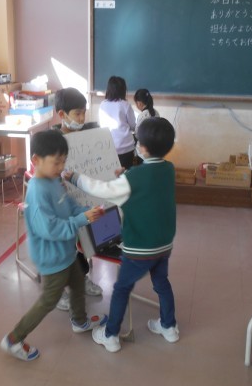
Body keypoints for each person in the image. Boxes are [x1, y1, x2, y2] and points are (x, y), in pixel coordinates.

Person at [63, 117, 179, 353]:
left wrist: (74, 177)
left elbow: (102, 189)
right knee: (162, 283)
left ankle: (111, 335)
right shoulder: (168, 169)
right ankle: (169, 327)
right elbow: (148, 184)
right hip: (163, 245)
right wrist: (126, 174)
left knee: (122, 289)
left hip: (139, 248)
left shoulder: (132, 179)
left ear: (142, 147)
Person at [0, 130, 107, 361]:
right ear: (36, 160)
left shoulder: (54, 181)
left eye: (63, 161)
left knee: (78, 284)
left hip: (67, 253)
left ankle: (79, 321)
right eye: (56, 162)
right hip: (51, 259)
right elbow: (50, 229)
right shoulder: (37, 192)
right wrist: (81, 220)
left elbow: (69, 205)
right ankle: (14, 339)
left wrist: (86, 212)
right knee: (49, 300)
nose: (61, 167)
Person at [51, 87, 103, 310]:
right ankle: (58, 290)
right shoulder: (52, 141)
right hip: (59, 204)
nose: (82, 118)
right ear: (62, 114)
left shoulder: (88, 137)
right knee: (63, 247)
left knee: (81, 242)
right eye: (77, 113)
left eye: (84, 113)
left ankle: (81, 278)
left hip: (81, 201)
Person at [98, 76, 136, 169]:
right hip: (126, 147)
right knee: (125, 173)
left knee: (111, 173)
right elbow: (132, 125)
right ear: (123, 90)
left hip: (108, 146)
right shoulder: (125, 105)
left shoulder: (102, 104)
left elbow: (101, 125)